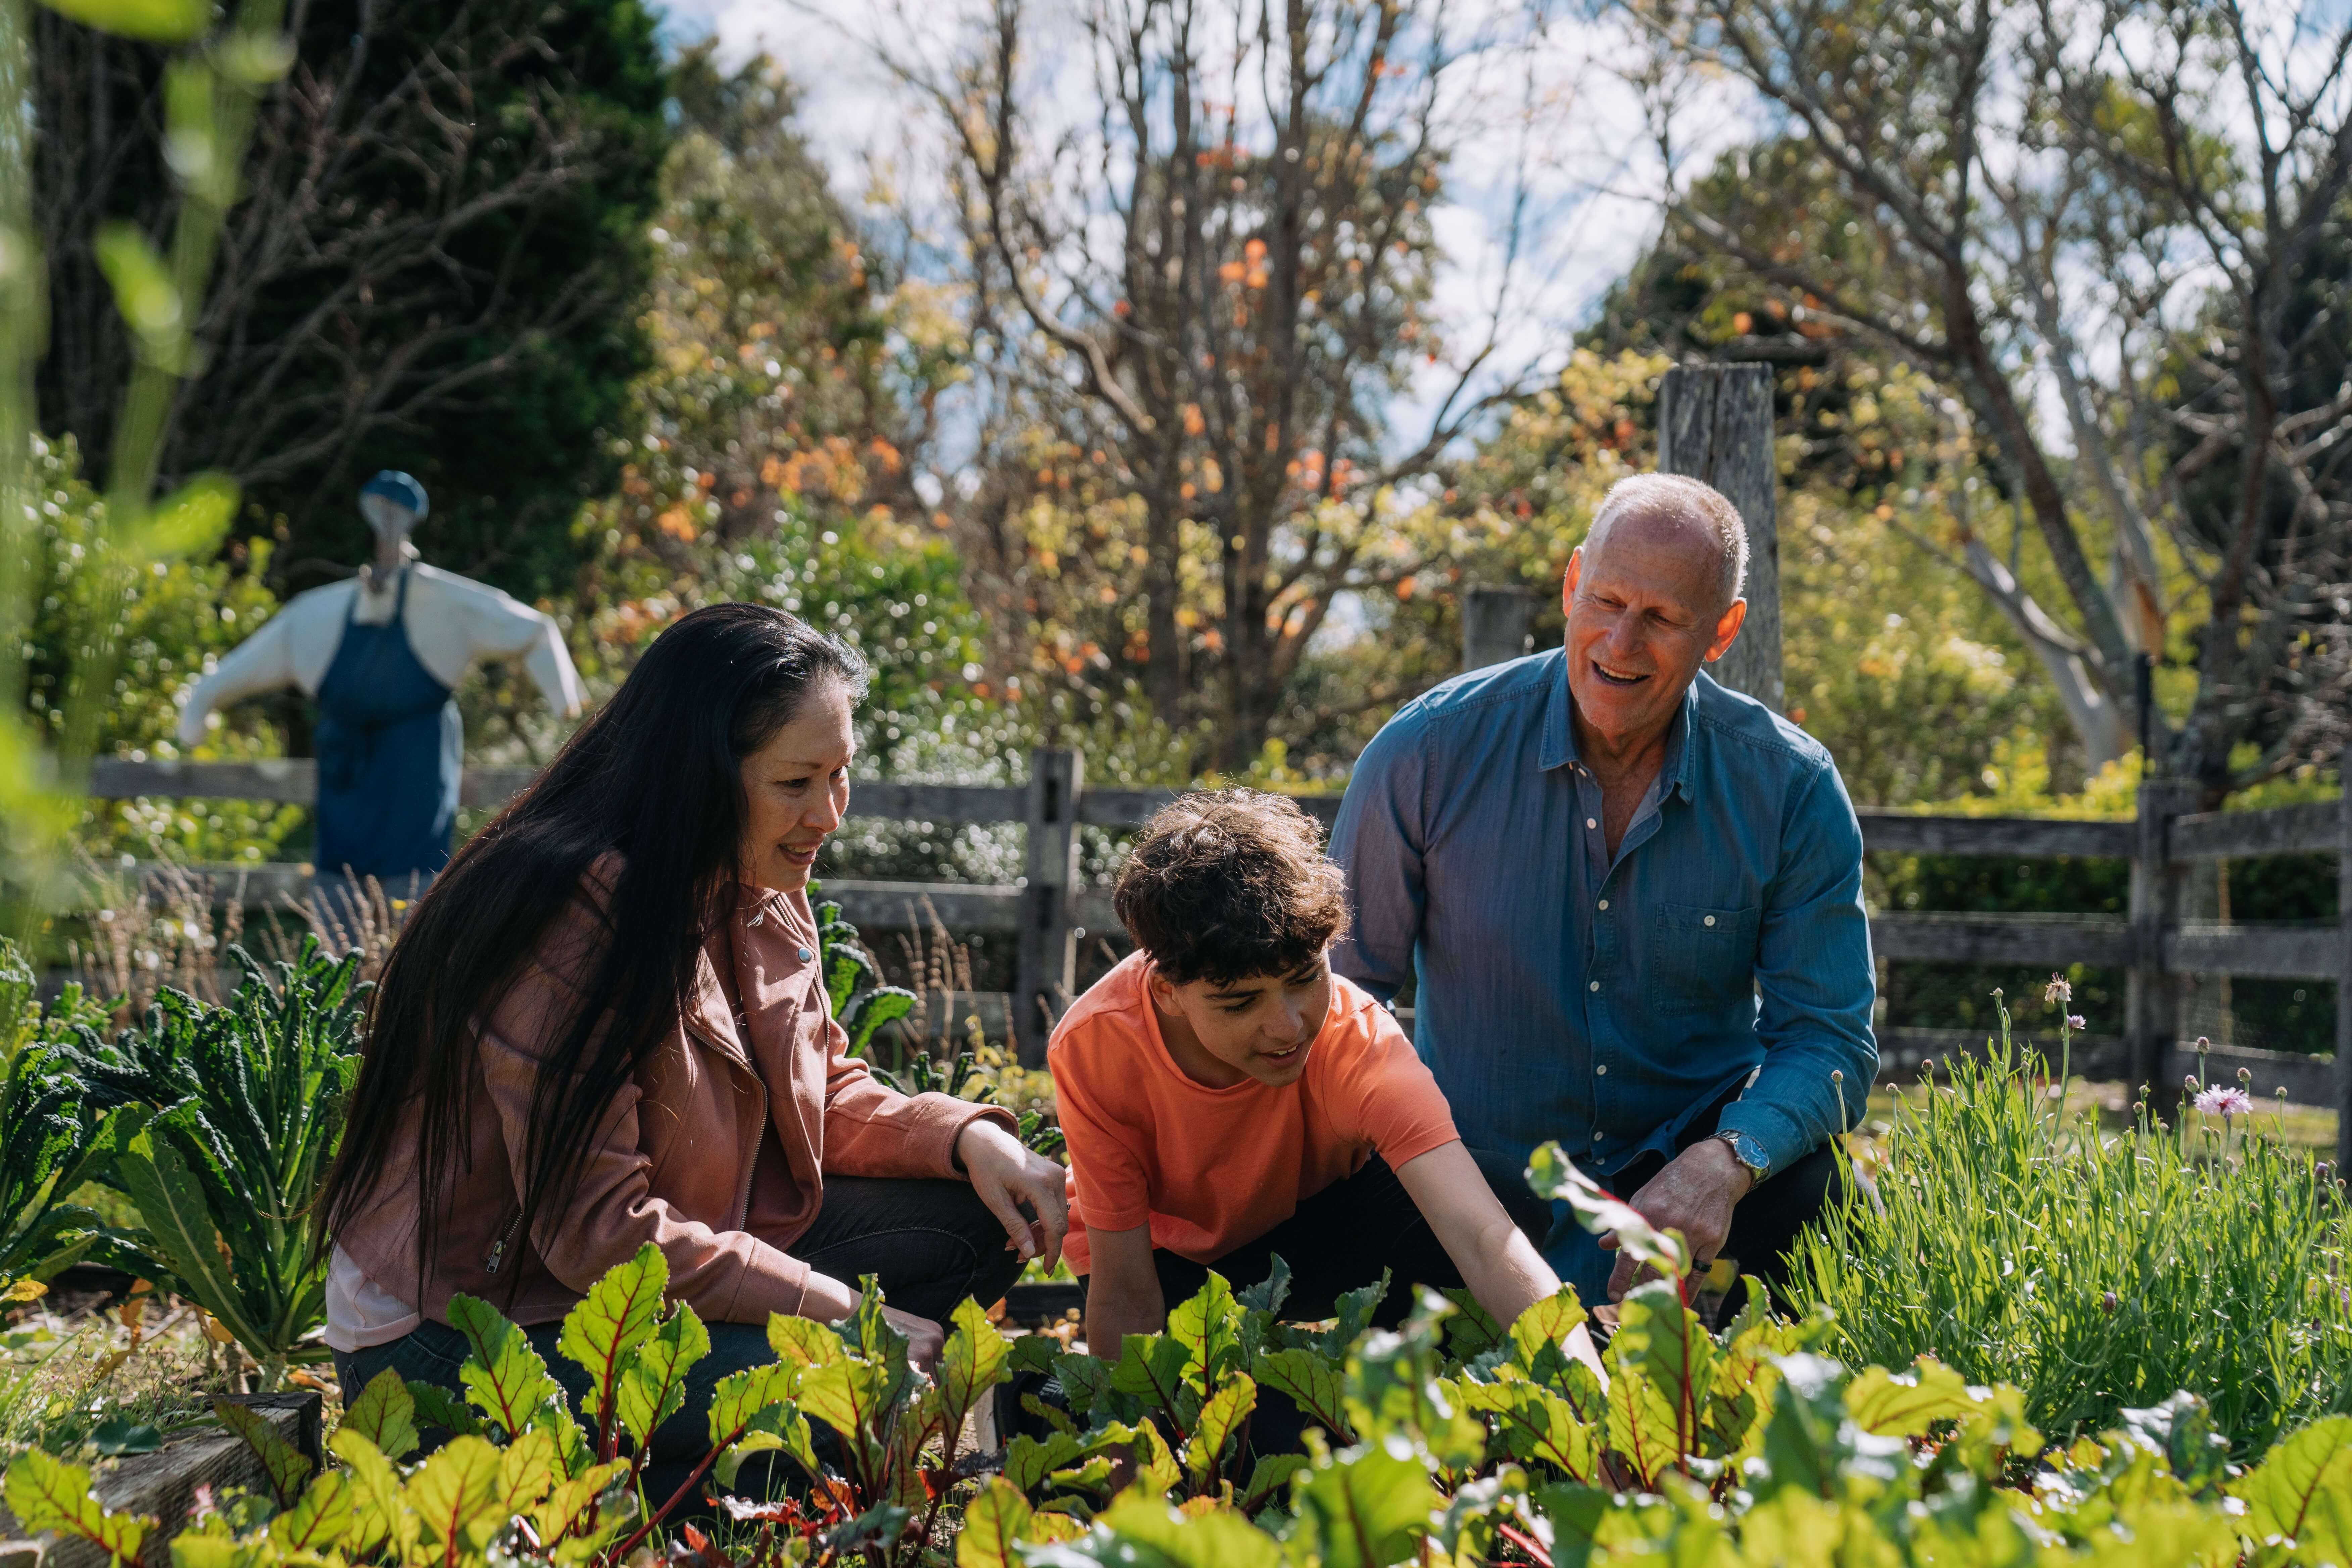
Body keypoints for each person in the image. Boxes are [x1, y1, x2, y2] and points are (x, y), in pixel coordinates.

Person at [316, 602, 1068, 1500]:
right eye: (796, 782)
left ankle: (723, 1465)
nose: (828, 814)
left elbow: (818, 1089)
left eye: (842, 776)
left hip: (654, 1260)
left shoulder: (754, 877)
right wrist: (836, 1313)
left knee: (984, 1214)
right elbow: (599, 1239)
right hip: (463, 1330)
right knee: (848, 1387)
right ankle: (666, 1490)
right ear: (699, 774)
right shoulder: (576, 912)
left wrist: (966, 1138)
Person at [1328, 473, 1877, 1314]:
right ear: (1571, 582)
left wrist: (1727, 1161)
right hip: (1466, 1193)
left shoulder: (1790, 787)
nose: (1620, 643)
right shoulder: (1427, 751)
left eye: (1660, 618)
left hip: (1690, 1210)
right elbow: (1342, 995)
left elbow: (1829, 1040)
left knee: (1825, 1199)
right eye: (1607, 600)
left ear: (1723, 630)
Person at [1053, 790, 1567, 1361]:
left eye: (1303, 978)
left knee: (1504, 1192)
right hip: (1167, 1261)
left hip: (1312, 1233)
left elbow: (1484, 1237)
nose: (1288, 1028)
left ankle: (1409, 1403)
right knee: (1232, 1438)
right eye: (1241, 1003)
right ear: (1169, 993)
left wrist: (1587, 1395)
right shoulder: (1095, 1045)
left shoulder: (1355, 1040)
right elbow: (1126, 1293)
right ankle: (1036, 1396)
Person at [178, 471, 585, 903]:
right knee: (340, 937)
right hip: (345, 794)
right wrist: (198, 707)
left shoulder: (445, 604)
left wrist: (567, 706)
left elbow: (534, 631)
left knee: (412, 919)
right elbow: (239, 668)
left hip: (417, 783)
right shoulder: (319, 614)